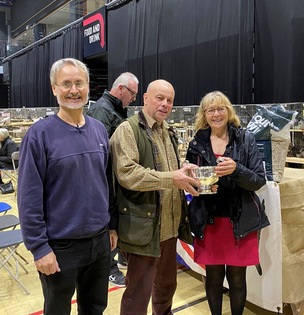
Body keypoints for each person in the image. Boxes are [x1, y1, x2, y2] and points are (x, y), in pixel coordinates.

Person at [17, 58, 117, 315]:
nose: (74, 90)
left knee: (95, 308)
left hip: (99, 242)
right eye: (66, 84)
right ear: (54, 88)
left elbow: (107, 183)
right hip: (61, 247)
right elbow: (28, 197)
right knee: (57, 310)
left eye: (79, 83)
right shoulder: (39, 135)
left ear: (87, 87)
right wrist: (39, 248)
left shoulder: (98, 131)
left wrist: (112, 226)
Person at [110, 79, 200, 315]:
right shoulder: (127, 130)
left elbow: (170, 172)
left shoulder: (167, 131)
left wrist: (184, 173)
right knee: (138, 291)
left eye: (170, 100)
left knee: (166, 285)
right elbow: (128, 174)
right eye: (160, 98)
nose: (165, 104)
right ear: (145, 99)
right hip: (143, 226)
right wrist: (172, 178)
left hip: (169, 226)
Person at [186, 91, 270, 315]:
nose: (216, 114)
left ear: (228, 111)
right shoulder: (197, 143)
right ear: (204, 114)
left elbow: (258, 181)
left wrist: (237, 169)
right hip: (209, 221)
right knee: (213, 277)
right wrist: (198, 185)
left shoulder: (245, 139)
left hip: (239, 220)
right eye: (210, 110)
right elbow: (189, 180)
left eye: (221, 108)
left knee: (237, 278)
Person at [87, 72, 139, 286]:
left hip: (116, 177)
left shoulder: (116, 109)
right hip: (106, 179)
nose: (134, 98)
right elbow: (98, 149)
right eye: (133, 94)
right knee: (110, 220)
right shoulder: (102, 110)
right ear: (121, 90)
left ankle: (120, 258)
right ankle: (109, 268)